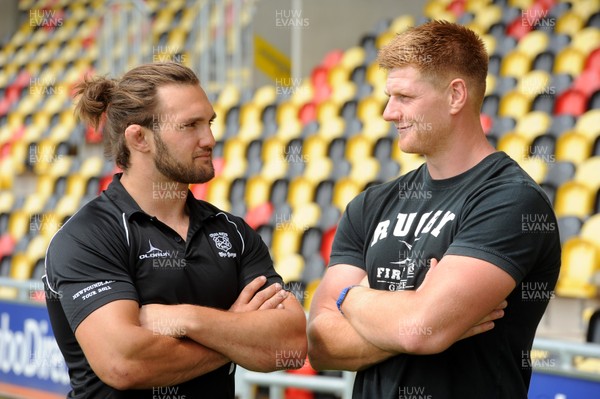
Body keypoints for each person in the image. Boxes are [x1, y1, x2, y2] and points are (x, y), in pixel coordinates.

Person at [307, 20, 561, 399]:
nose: (389, 113)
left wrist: (352, 299)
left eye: (405, 97)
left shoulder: (511, 200)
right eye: (389, 97)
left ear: (456, 95)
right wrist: (413, 320)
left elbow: (421, 327)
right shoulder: (370, 204)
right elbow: (320, 345)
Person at [43, 62, 307, 398]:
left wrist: (187, 319)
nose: (209, 138)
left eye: (209, 122)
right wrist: (236, 333)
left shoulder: (233, 232)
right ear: (139, 138)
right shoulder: (88, 236)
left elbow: (292, 344)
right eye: (190, 125)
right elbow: (124, 363)